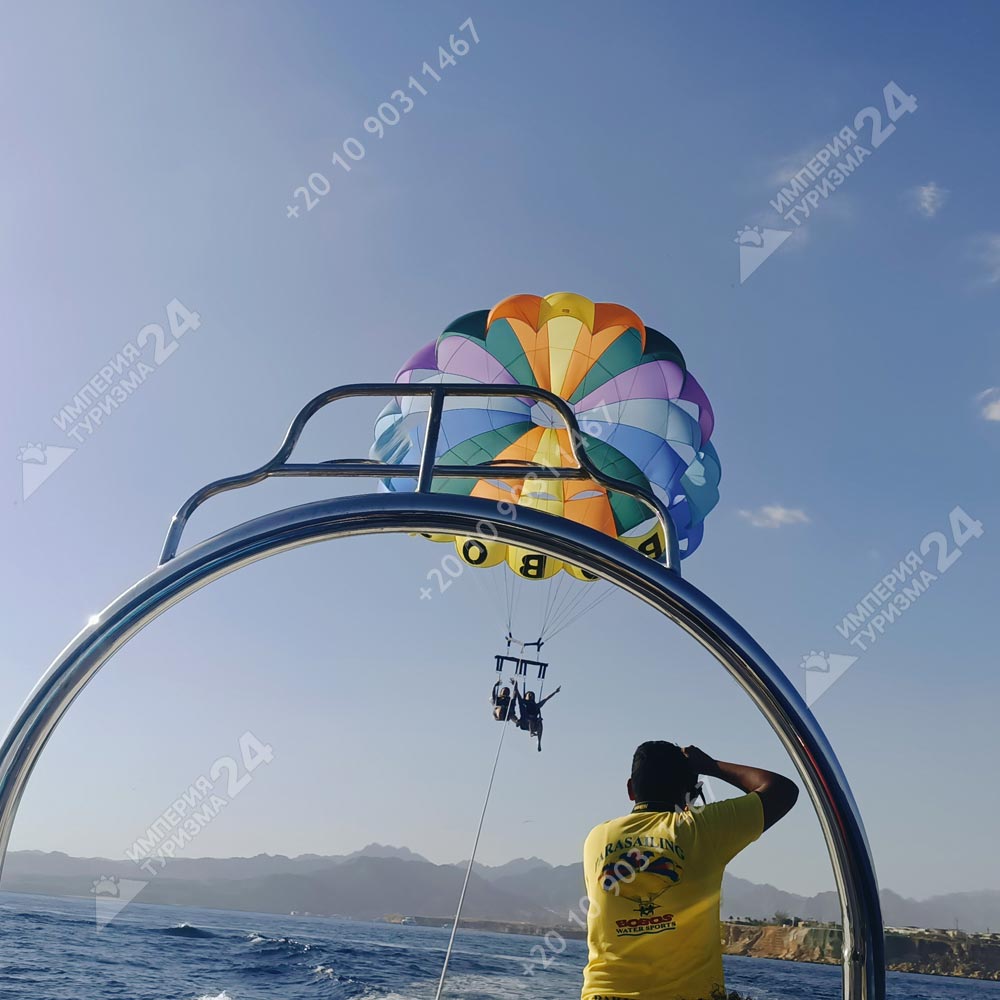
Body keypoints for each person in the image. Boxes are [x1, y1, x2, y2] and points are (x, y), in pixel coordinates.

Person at [581, 741, 798, 1000]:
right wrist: (712, 766)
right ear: (690, 794)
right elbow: (782, 790)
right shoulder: (702, 828)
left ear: (630, 789)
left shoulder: (597, 839)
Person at [515, 685, 561, 751]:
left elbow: (546, 699)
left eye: (532, 695)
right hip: (524, 723)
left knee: (540, 722)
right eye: (529, 694)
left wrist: (555, 692)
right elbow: (518, 694)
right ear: (525, 696)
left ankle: (539, 741)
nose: (530, 695)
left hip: (534, 725)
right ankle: (531, 732)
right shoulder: (522, 702)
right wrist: (515, 685)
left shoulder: (536, 706)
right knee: (530, 719)